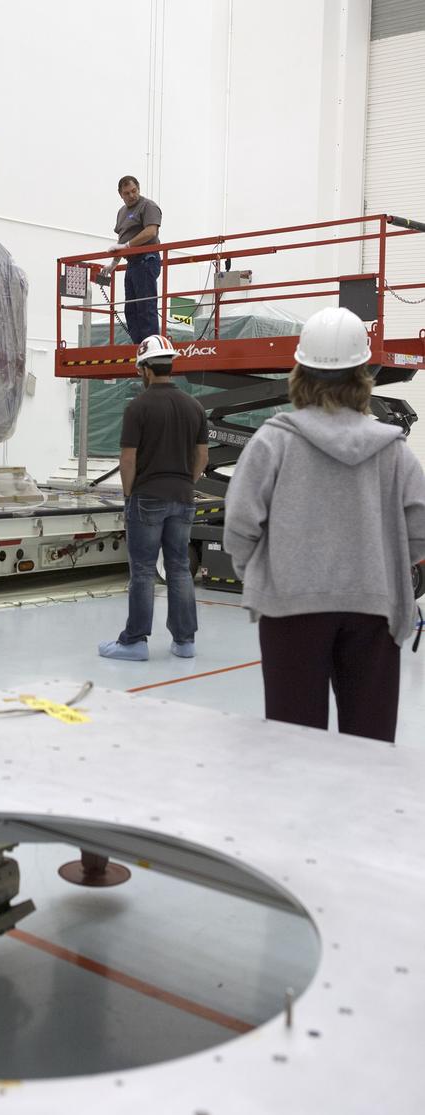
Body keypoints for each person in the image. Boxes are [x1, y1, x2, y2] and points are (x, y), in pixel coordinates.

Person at [223, 306, 425, 743]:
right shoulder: (393, 450)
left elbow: (240, 523)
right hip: (373, 609)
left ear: (300, 372)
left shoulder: (273, 441)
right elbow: (419, 523)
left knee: (295, 743)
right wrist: (384, 566)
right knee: (368, 745)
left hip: (290, 606)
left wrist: (261, 575)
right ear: (363, 376)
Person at [99, 334, 208, 662]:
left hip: (147, 496)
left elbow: (128, 460)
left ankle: (134, 642)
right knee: (178, 567)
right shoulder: (195, 407)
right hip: (183, 497)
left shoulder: (138, 407)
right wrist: (184, 482)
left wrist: (129, 493)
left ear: (145, 368)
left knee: (144, 570)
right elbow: (202, 457)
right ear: (169, 364)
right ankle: (185, 641)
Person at [100, 175, 163, 345]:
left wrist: (126, 246)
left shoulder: (148, 206)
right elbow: (122, 239)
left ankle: (150, 345)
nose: (131, 195)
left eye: (134, 191)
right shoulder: (122, 212)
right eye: (127, 193)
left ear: (139, 189)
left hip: (146, 260)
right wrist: (114, 263)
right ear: (120, 194)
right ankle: (138, 344)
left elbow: (151, 232)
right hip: (132, 263)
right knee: (131, 309)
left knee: (145, 306)